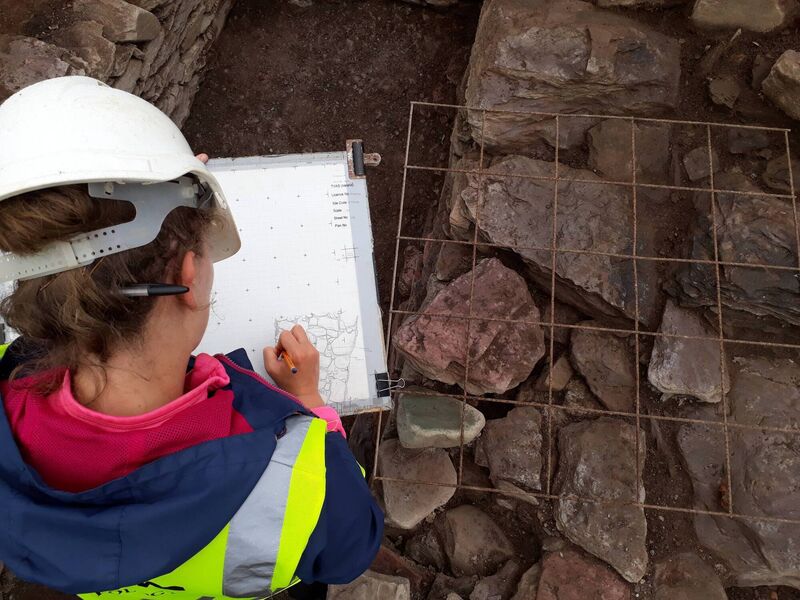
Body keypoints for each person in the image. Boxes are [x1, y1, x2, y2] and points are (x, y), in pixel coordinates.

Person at [0, 76, 383, 599]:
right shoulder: (301, 475)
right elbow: (353, 547)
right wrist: (311, 403)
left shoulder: (11, 387)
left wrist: (170, 197)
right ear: (189, 274)